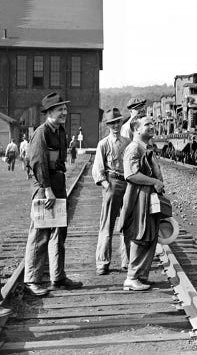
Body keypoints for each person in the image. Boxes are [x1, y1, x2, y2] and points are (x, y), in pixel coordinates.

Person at [24, 93, 83, 297]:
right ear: (49, 112)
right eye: (60, 110)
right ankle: (32, 279)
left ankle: (57, 277)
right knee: (40, 232)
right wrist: (47, 190)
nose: (65, 113)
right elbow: (38, 163)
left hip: (58, 184)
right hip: (44, 187)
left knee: (59, 231)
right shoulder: (41, 133)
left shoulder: (60, 131)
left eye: (65, 109)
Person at [117, 116, 164, 291]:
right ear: (136, 129)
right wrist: (154, 182)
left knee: (149, 233)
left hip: (148, 196)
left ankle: (141, 275)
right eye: (147, 125)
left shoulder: (146, 147)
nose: (152, 126)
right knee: (139, 233)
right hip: (139, 196)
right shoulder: (134, 148)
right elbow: (131, 175)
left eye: (152, 123)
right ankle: (132, 277)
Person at [92, 108, 131, 275]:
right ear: (108, 125)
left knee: (127, 225)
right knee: (107, 224)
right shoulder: (104, 144)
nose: (115, 125)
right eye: (112, 123)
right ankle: (102, 263)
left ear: (121, 122)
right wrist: (105, 183)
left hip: (128, 183)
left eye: (117, 122)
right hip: (112, 182)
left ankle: (127, 261)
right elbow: (98, 167)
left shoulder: (128, 142)